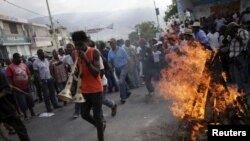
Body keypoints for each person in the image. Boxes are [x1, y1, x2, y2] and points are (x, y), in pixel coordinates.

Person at [72, 31, 104, 141]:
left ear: (86, 42)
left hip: (96, 90)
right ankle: (100, 126)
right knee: (84, 114)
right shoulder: (75, 53)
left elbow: (96, 73)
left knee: (97, 116)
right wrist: (74, 72)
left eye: (80, 44)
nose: (78, 47)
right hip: (84, 90)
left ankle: (101, 137)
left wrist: (85, 59)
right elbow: (79, 72)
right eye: (76, 45)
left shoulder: (94, 52)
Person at [0, 64, 31, 141]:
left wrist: (26, 94)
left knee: (20, 129)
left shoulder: (0, 75)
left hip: (5, 108)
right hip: (5, 109)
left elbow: (8, 88)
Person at [6, 53, 35, 120]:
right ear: (14, 59)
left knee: (30, 100)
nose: (20, 59)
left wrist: (30, 81)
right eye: (18, 58)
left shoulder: (23, 65)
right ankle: (25, 115)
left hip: (27, 86)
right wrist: (13, 88)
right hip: (18, 89)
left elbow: (29, 73)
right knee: (22, 103)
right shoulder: (10, 67)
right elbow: (9, 79)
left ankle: (32, 112)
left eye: (20, 57)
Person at [108, 38, 131, 104]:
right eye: (110, 43)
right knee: (122, 81)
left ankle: (123, 97)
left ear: (115, 43)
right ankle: (127, 91)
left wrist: (129, 67)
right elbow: (109, 61)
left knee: (120, 82)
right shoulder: (110, 51)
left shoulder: (121, 50)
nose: (111, 44)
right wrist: (110, 66)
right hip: (117, 69)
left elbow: (128, 58)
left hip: (124, 67)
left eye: (112, 42)